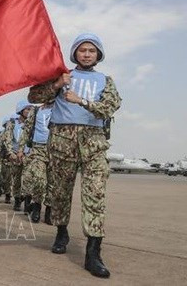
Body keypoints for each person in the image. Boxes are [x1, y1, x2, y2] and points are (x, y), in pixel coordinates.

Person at [28, 33, 121, 278]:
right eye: (82, 50)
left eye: (92, 50)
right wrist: (57, 85)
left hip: (93, 144)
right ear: (75, 54)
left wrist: (82, 101)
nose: (87, 54)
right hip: (62, 142)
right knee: (60, 192)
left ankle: (93, 252)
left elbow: (110, 107)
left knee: (95, 194)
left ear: (98, 54)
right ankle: (61, 232)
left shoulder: (105, 81)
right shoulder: (62, 75)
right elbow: (34, 97)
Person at [19, 99, 54, 224]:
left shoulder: (61, 107)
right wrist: (21, 149)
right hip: (37, 148)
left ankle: (49, 211)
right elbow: (27, 130)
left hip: (55, 150)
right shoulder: (36, 110)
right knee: (39, 180)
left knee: (53, 183)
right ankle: (37, 206)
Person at [3, 101, 36, 211]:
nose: (29, 112)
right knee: (16, 179)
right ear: (21, 111)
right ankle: (17, 199)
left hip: (29, 155)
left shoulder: (33, 124)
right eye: (27, 109)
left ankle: (27, 202)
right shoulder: (12, 124)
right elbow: (7, 139)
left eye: (31, 110)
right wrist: (10, 153)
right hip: (15, 156)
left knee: (29, 179)